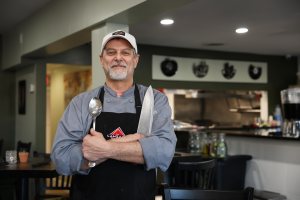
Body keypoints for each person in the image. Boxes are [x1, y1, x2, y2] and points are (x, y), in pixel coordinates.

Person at [51, 30, 177, 200]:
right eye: (111, 52)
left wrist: (103, 149)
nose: (118, 57)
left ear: (136, 60)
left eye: (125, 52)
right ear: (102, 60)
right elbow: (61, 158)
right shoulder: (81, 103)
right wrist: (134, 143)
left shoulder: (154, 100)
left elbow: (164, 152)